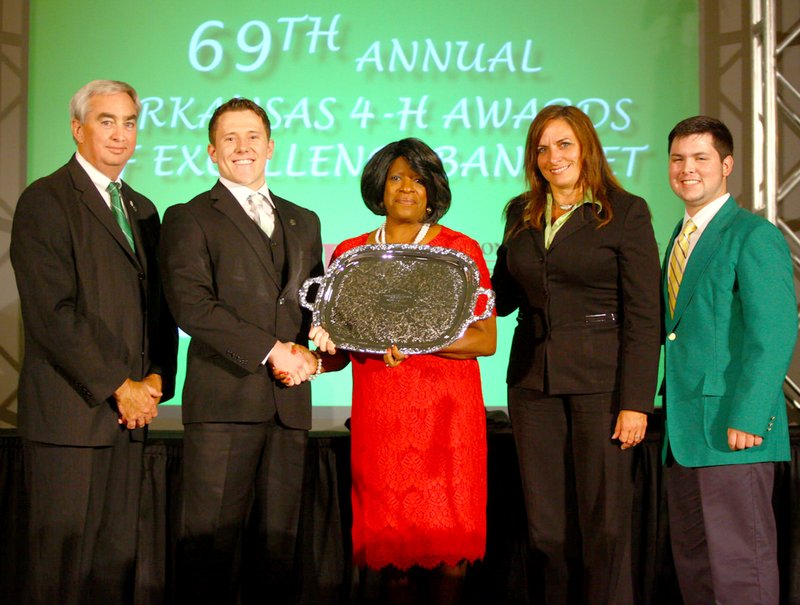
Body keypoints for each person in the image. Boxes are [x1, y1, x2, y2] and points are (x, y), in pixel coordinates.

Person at [306, 138, 496, 604]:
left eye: (417, 179)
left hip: (447, 424)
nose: (406, 188)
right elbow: (339, 350)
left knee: (450, 558)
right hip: (382, 422)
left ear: (433, 190)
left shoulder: (460, 250)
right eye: (395, 178)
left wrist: (413, 340)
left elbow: (485, 340)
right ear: (379, 188)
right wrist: (318, 350)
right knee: (392, 564)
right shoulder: (350, 255)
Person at [9, 79, 178, 605]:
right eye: (107, 121)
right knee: (62, 573)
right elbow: (52, 314)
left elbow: (160, 308)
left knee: (113, 569)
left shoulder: (144, 208)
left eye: (129, 122)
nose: (120, 133)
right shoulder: (46, 199)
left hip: (130, 419)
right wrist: (116, 384)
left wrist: (154, 380)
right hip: (70, 419)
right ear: (78, 128)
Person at [491, 105, 661, 604]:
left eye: (563, 144)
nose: (552, 157)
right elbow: (501, 298)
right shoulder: (520, 213)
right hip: (531, 387)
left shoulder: (625, 211)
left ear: (586, 146)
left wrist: (636, 402)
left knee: (604, 529)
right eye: (542, 148)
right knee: (547, 533)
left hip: (602, 388)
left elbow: (644, 315)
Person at [159, 97, 323, 604]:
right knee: (209, 555)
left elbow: (314, 303)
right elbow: (193, 307)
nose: (242, 147)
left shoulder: (304, 219)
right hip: (223, 409)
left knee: (278, 555)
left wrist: (315, 354)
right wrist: (275, 351)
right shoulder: (188, 217)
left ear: (271, 147)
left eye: (252, 136)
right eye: (229, 138)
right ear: (211, 152)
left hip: (288, 408)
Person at [661, 116, 796, 604]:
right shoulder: (679, 235)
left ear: (727, 165)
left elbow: (775, 330)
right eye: (678, 159)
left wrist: (748, 414)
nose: (687, 169)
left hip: (734, 432)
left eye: (700, 158)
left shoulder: (752, 234)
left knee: (742, 571)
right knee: (698, 573)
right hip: (687, 435)